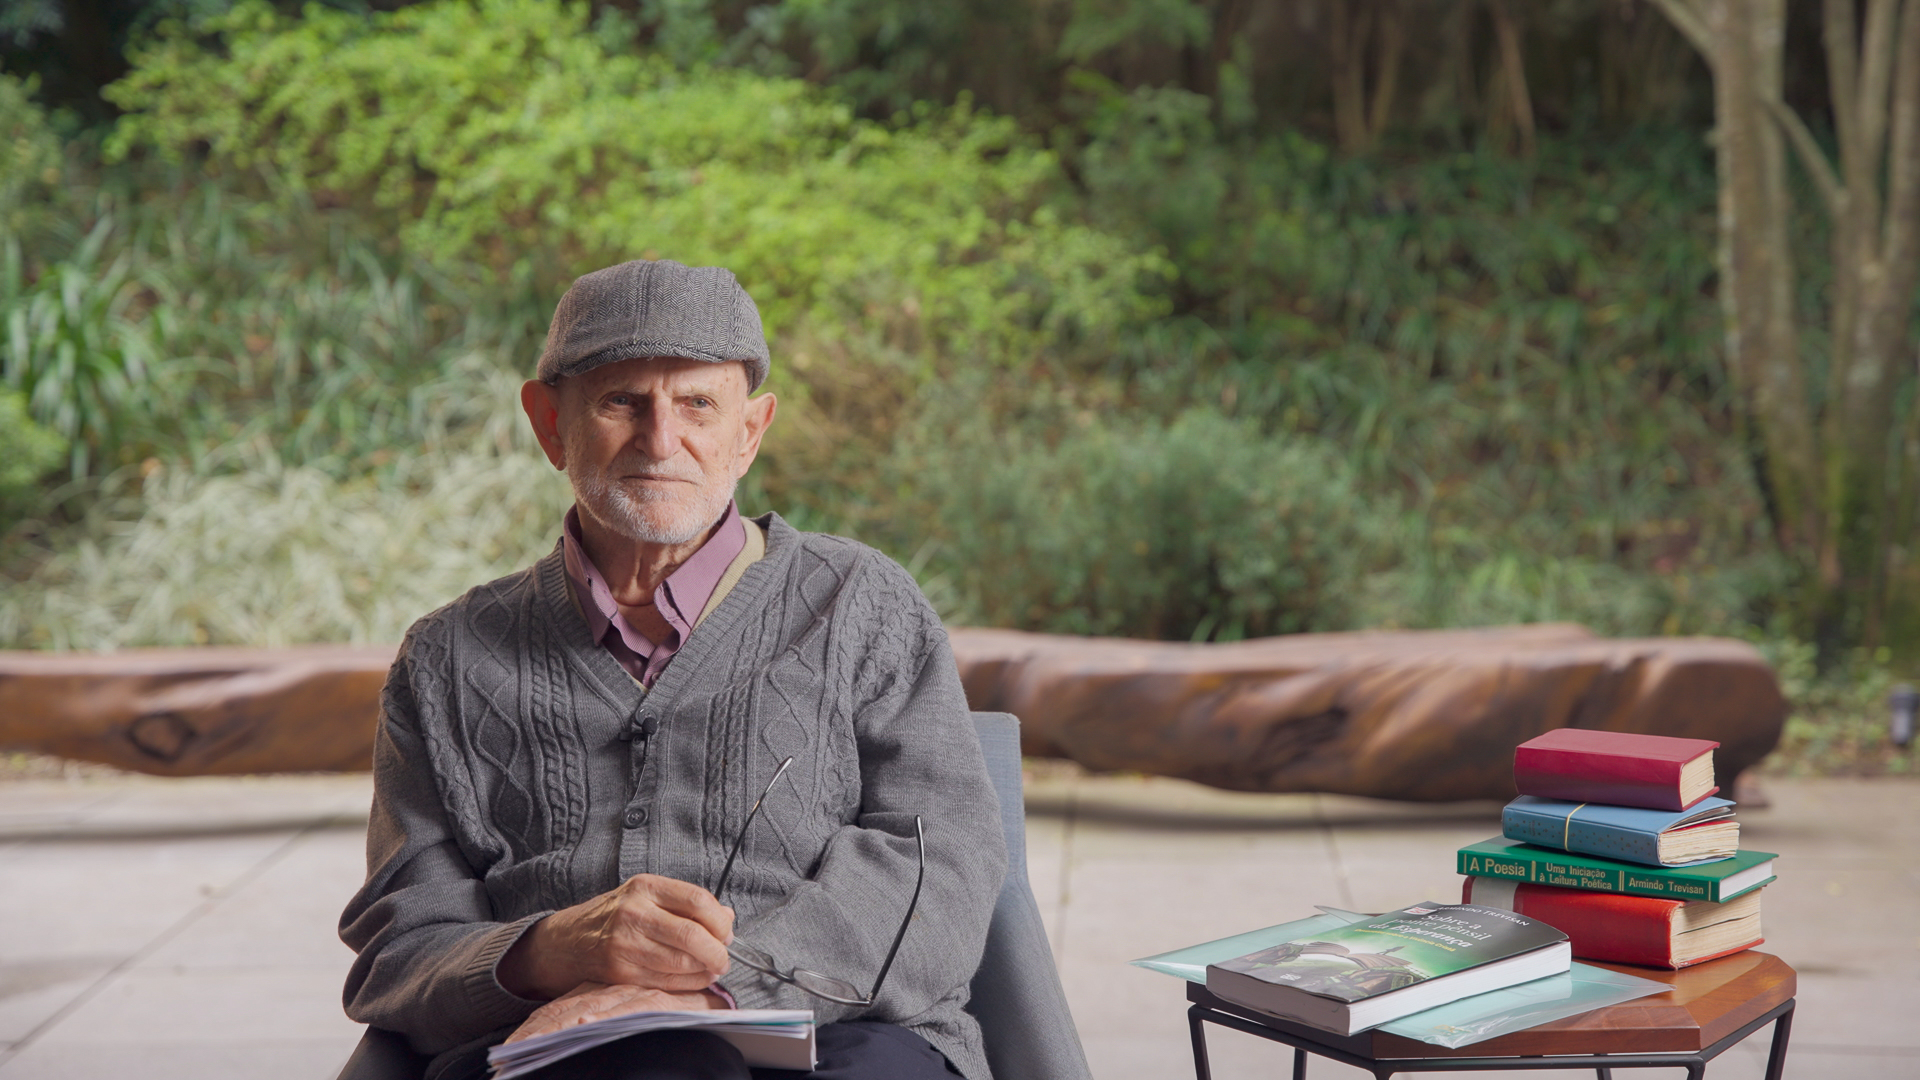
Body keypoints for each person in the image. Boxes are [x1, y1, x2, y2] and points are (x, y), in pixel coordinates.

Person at [339, 259, 1008, 1080]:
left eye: (697, 403)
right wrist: (547, 951)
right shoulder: (445, 660)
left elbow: (940, 868)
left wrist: (720, 991)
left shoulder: (865, 607)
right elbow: (402, 946)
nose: (662, 441)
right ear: (550, 424)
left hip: (842, 1032)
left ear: (749, 432)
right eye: (622, 402)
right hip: (560, 1048)